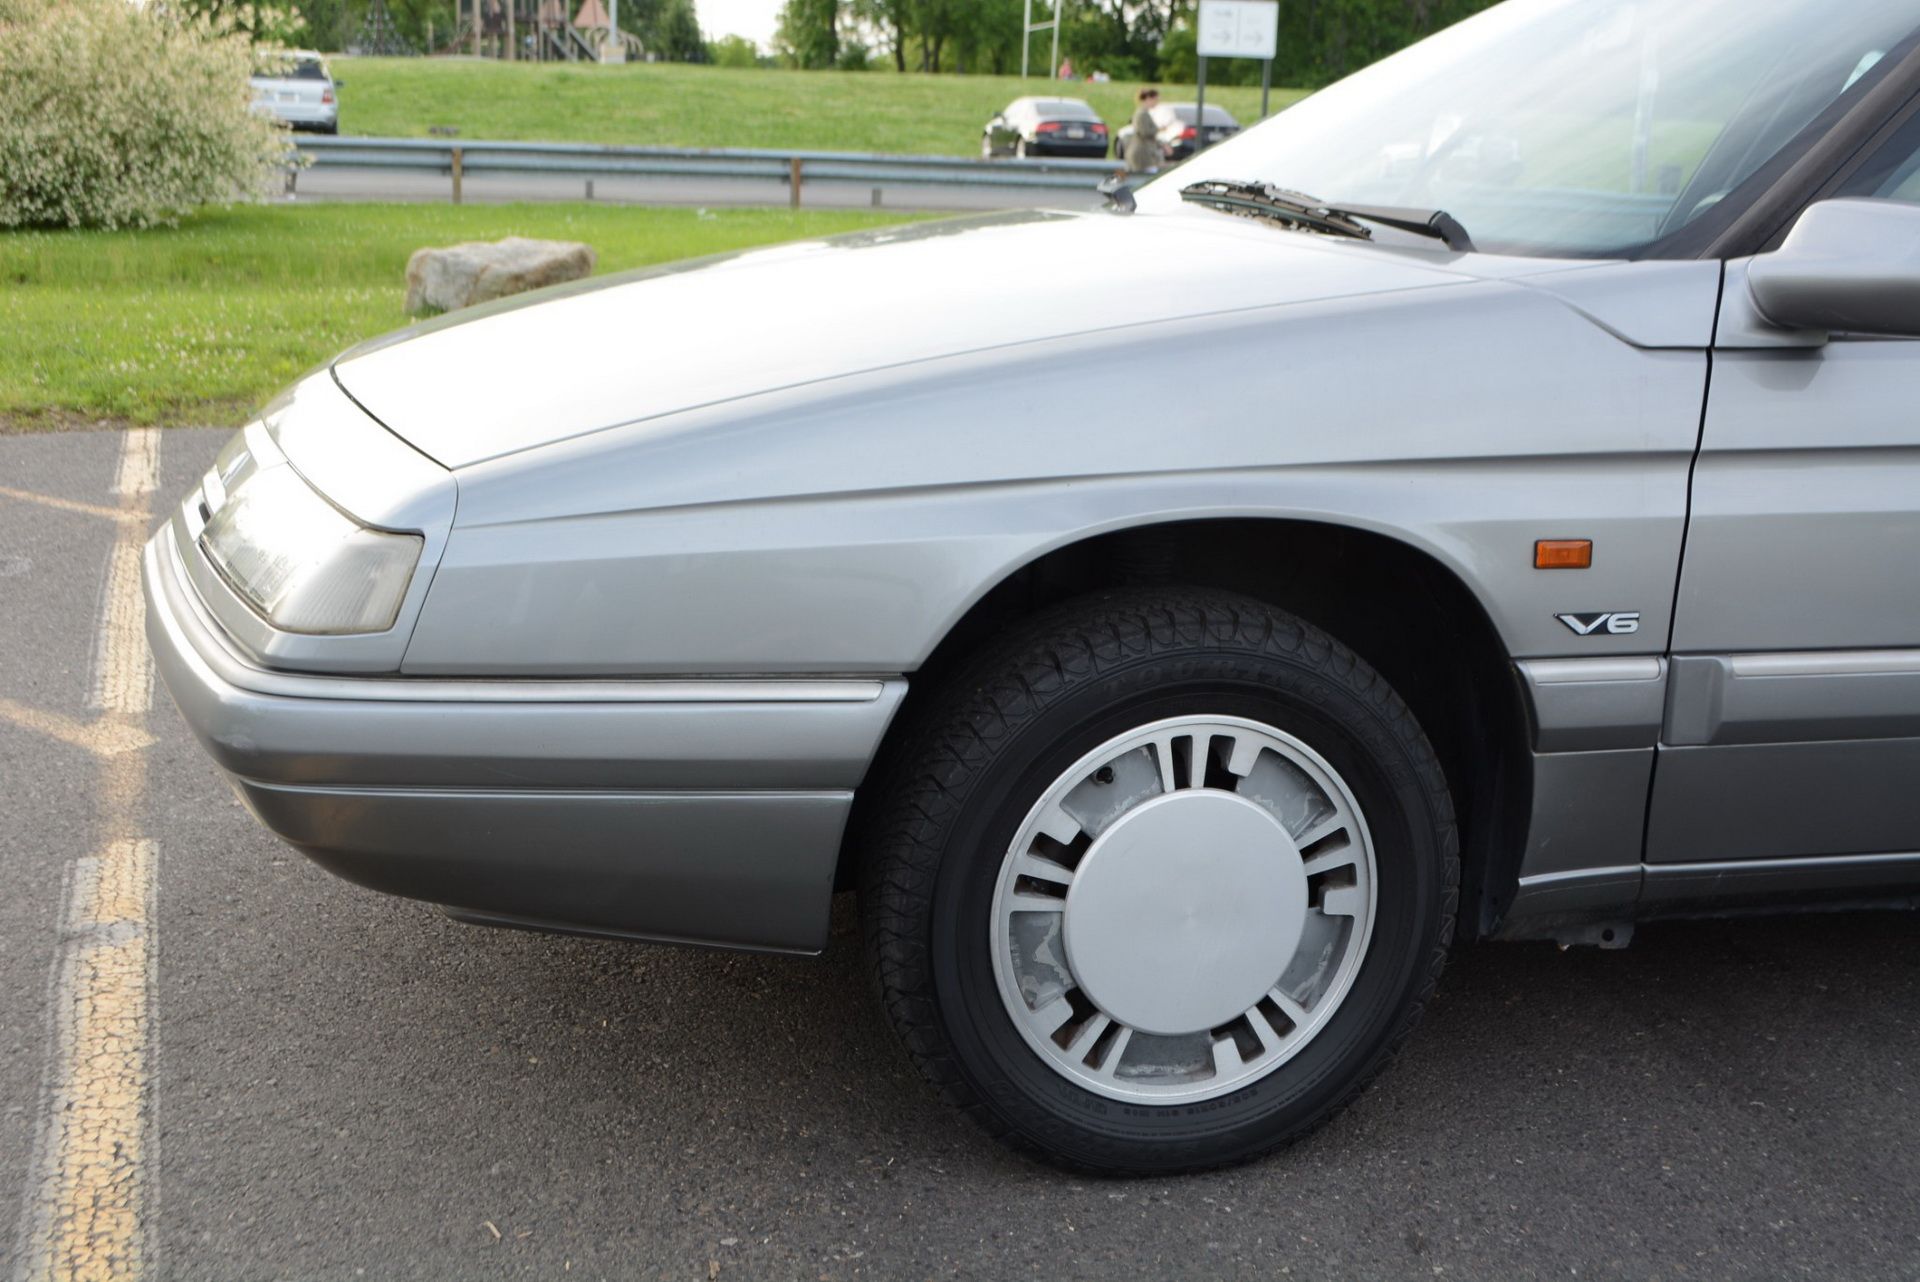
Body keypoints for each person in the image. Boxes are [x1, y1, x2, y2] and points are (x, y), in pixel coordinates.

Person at [1124, 86, 1165, 174]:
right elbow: (1145, 132)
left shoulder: (1144, 113)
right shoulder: (1142, 114)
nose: (1157, 103)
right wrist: (1159, 129)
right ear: (1148, 99)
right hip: (1142, 154)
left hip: (1144, 153)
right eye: (1156, 100)